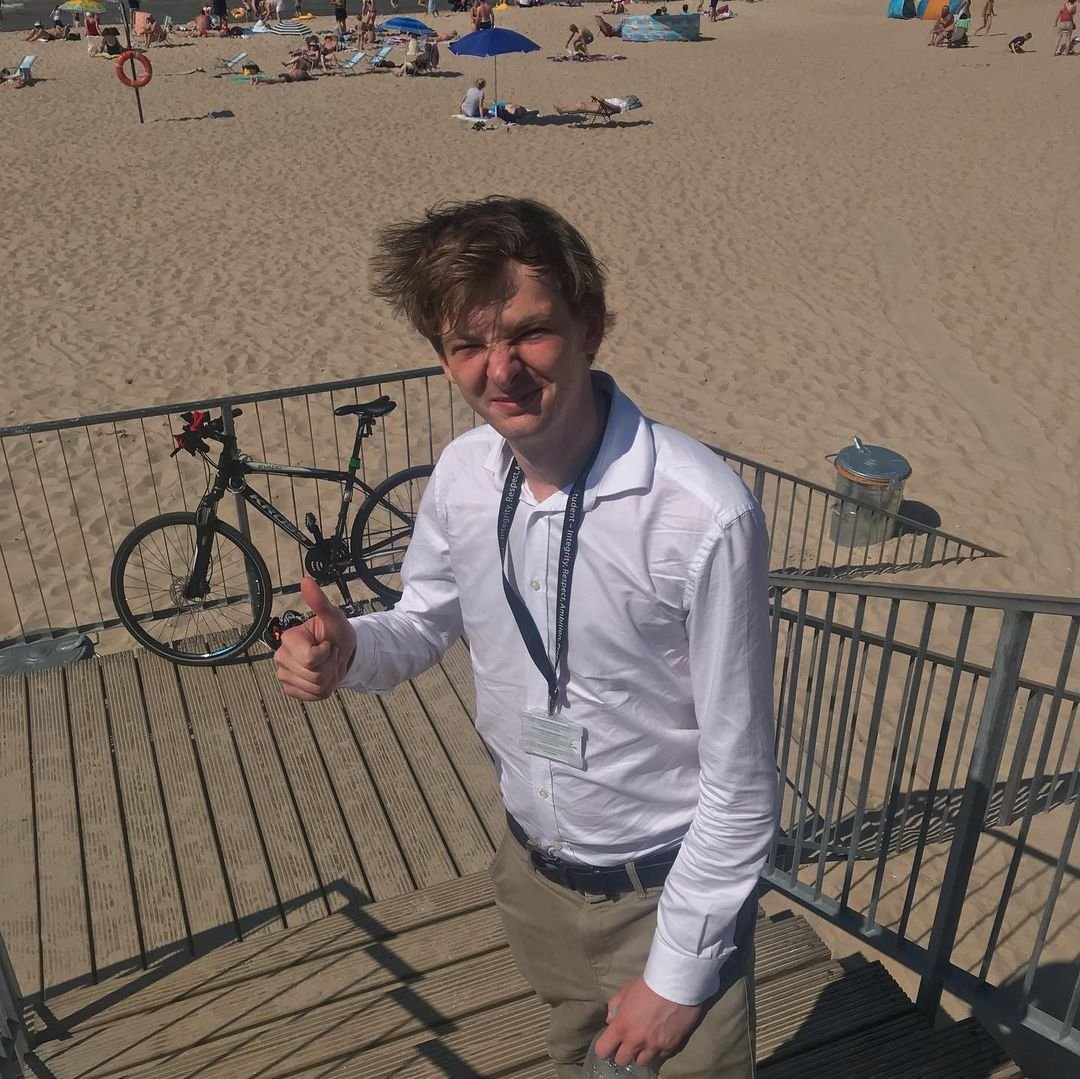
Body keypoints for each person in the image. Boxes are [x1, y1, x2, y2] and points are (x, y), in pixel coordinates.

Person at [273, 197, 777, 1079]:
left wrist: (680, 971)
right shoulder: (465, 475)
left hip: (663, 890)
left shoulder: (701, 515)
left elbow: (741, 786)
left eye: (529, 333)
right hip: (530, 874)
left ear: (592, 326)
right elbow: (426, 617)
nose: (498, 370)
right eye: (466, 346)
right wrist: (352, 648)